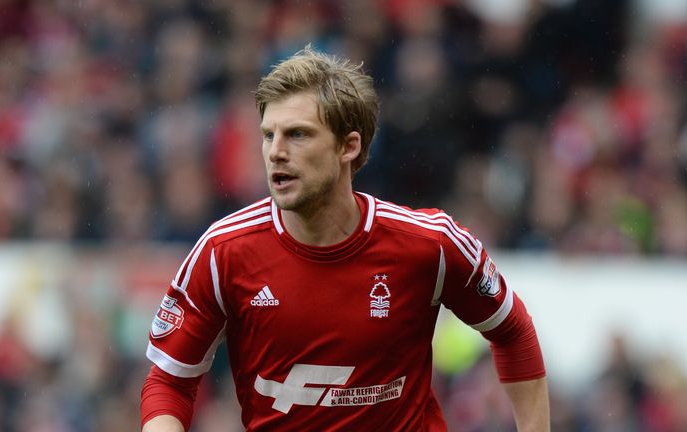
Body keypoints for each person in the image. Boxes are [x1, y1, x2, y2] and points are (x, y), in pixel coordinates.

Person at [140, 46, 549, 431]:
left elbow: (511, 331)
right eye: (269, 135)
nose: (276, 152)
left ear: (348, 146)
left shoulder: (430, 244)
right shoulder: (222, 252)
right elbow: (170, 381)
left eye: (297, 134)